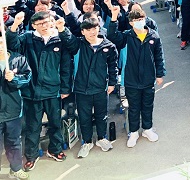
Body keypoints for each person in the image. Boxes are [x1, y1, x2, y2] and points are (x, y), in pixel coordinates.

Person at [7, 10, 78, 171]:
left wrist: (65, 88)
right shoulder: (27, 38)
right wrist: (15, 24)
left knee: (55, 123)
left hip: (53, 90)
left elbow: (67, 64)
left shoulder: (59, 39)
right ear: (33, 25)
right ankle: (31, 156)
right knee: (33, 126)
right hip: (31, 91)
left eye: (47, 22)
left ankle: (55, 149)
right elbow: (12, 45)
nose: (45, 26)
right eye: (40, 24)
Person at [107, 4, 165, 148]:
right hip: (131, 79)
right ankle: (133, 132)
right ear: (131, 23)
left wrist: (159, 74)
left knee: (147, 105)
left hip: (148, 78)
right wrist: (114, 18)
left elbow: (159, 56)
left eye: (141, 19)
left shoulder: (153, 35)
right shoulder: (127, 36)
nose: (139, 21)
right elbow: (112, 36)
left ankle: (147, 129)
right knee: (133, 107)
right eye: (136, 20)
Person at [70, 17, 118, 157]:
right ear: (83, 32)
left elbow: (113, 66)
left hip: (100, 88)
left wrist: (112, 83)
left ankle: (102, 138)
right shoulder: (79, 44)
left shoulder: (108, 46)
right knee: (84, 117)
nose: (92, 32)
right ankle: (87, 141)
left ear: (99, 28)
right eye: (88, 29)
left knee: (101, 115)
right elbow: (67, 38)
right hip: (82, 88)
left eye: (94, 28)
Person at [0, 37, 32, 180]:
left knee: (13, 142)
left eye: (1, 42)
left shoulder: (18, 59)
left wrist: (14, 78)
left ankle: (16, 169)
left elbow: (27, 79)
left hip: (13, 109)